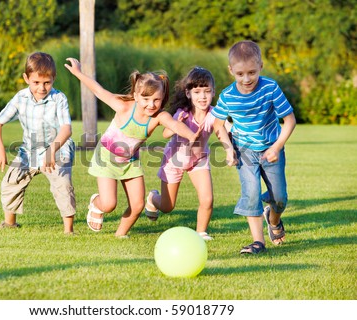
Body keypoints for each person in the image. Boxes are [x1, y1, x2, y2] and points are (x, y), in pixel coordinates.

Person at [64, 57, 199, 238]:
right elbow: (98, 90)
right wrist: (78, 73)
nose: (151, 104)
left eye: (156, 100)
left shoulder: (159, 116)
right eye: (146, 98)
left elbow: (174, 125)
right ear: (136, 96)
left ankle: (120, 235)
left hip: (130, 163)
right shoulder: (123, 107)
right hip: (106, 159)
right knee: (109, 204)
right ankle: (97, 203)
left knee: (137, 205)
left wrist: (191, 135)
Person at [212, 40, 296, 254]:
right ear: (231, 70)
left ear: (261, 66)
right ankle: (258, 242)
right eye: (240, 74)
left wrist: (277, 147)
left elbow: (290, 120)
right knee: (251, 193)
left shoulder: (270, 88)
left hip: (271, 149)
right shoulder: (227, 96)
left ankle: (273, 219)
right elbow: (217, 124)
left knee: (280, 198)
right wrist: (228, 149)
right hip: (245, 151)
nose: (246, 79)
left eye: (252, 72)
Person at [0, 52, 76, 235]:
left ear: (54, 79)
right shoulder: (20, 98)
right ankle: (9, 223)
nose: (42, 88)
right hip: (29, 149)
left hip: (58, 148)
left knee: (63, 184)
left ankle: (69, 230)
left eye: (47, 82)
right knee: (11, 181)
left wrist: (52, 151)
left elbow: (67, 129)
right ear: (26, 78)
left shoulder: (59, 99)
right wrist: (0, 149)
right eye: (36, 82)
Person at [145, 66, 230, 241]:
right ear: (188, 93)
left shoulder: (214, 114)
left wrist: (230, 149)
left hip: (198, 161)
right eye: (197, 92)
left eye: (207, 91)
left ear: (213, 92)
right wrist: (177, 123)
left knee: (207, 199)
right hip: (173, 161)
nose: (203, 96)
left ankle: (201, 232)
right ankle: (153, 198)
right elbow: (166, 134)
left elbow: (224, 130)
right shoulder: (182, 113)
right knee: (168, 206)